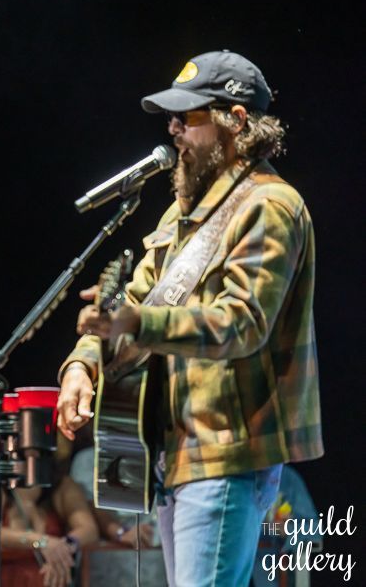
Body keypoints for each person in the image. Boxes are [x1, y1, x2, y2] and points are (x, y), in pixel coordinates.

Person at [56, 51, 323, 587]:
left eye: (188, 117)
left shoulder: (269, 206)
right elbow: (127, 302)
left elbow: (242, 322)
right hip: (171, 455)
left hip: (224, 450)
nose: (173, 129)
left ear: (237, 121)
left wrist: (139, 324)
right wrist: (81, 366)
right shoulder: (181, 215)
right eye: (170, 118)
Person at [0, 477, 98, 587]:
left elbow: (89, 529)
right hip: (1, 577)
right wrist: (41, 541)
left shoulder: (61, 485)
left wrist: (63, 546)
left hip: (47, 578)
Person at [68, 446, 158, 548]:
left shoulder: (154, 454)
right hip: (112, 546)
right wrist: (121, 533)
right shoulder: (87, 459)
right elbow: (90, 505)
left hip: (156, 540)